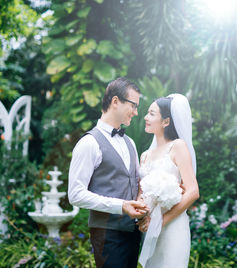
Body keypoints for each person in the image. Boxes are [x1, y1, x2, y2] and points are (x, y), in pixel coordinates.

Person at [68, 77, 149, 268]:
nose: (136, 112)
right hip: (107, 233)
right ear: (115, 101)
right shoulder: (89, 143)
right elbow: (75, 194)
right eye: (133, 105)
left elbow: (137, 183)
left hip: (133, 232)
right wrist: (121, 206)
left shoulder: (130, 143)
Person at [137, 94, 200, 267]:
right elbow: (140, 194)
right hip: (150, 227)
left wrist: (159, 223)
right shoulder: (145, 156)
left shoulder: (177, 146)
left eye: (151, 114)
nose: (145, 117)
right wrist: (143, 217)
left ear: (165, 122)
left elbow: (193, 191)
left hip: (172, 227)